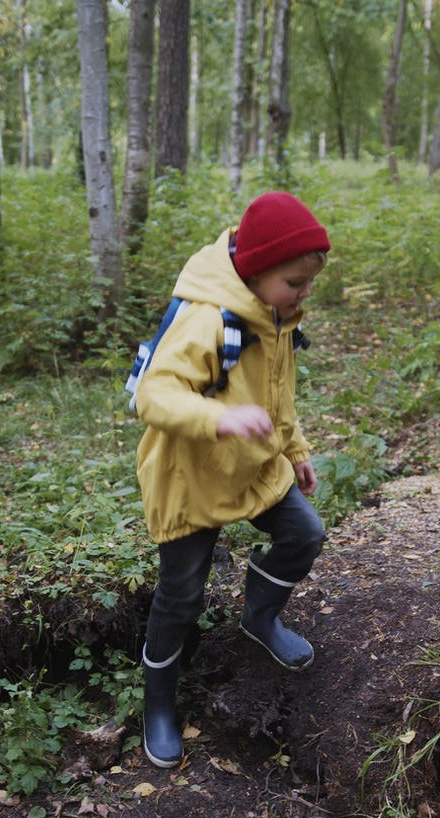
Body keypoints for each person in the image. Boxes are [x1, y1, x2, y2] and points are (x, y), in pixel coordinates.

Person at [134, 191, 331, 768]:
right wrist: (219, 417)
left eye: (308, 282)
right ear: (256, 272)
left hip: (254, 465)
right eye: (295, 282)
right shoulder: (206, 317)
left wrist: (293, 446)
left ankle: (260, 617)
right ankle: (159, 702)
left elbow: (278, 391)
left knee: (304, 533)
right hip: (191, 477)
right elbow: (154, 394)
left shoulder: (277, 315)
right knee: (182, 595)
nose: (304, 294)